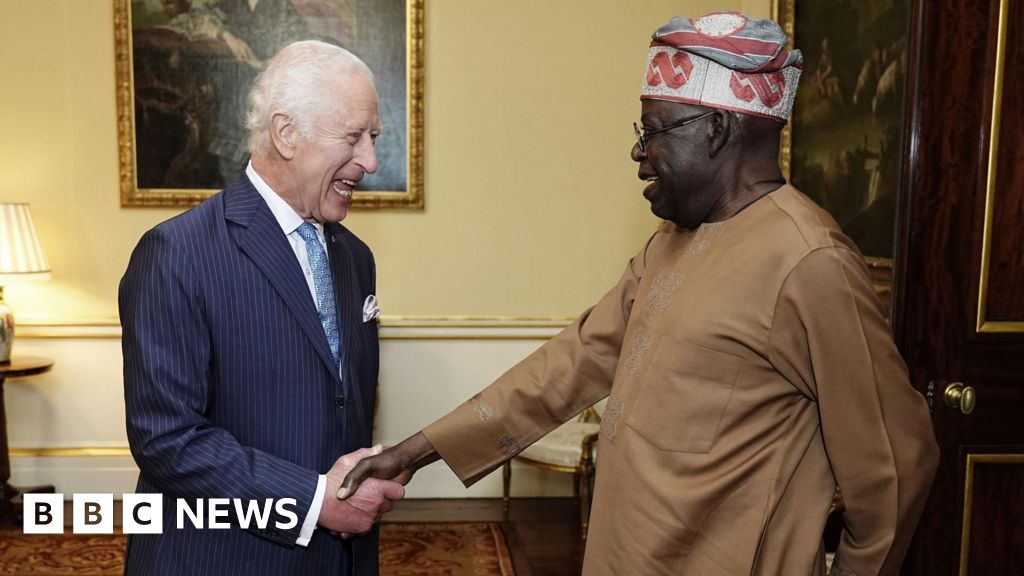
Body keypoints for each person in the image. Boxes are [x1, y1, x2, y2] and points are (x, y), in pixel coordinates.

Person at [341, 12, 939, 576]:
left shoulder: (811, 262)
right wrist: (414, 451)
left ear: (716, 129)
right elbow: (571, 363)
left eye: (654, 131)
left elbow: (895, 466)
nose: (637, 151)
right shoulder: (672, 242)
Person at [120, 40, 402, 575]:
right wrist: (313, 501)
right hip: (220, 558)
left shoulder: (355, 257)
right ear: (286, 133)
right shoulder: (177, 253)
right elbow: (167, 439)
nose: (370, 161)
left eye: (374, 138)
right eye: (354, 137)